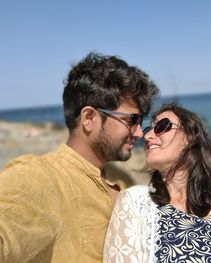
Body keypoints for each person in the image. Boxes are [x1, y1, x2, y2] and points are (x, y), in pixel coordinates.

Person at [0, 52, 159, 263]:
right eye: (132, 120)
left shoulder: (120, 181)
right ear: (89, 118)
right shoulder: (41, 176)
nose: (140, 132)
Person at [104, 103, 211, 263]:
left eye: (161, 126)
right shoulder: (135, 203)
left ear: (190, 138)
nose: (148, 135)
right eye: (149, 129)